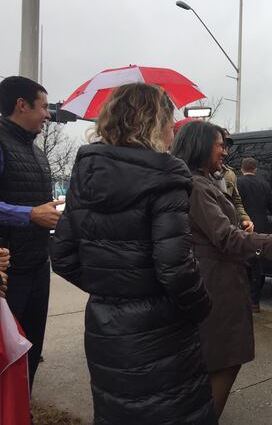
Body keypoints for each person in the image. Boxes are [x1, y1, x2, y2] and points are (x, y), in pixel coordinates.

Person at [50, 84, 216, 424]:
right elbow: (175, 267)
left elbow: (63, 256)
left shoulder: (86, 172)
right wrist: (201, 307)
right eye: (169, 120)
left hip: (105, 325)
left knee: (118, 411)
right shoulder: (166, 177)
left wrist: (113, 285)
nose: (173, 129)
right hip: (159, 328)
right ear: (154, 123)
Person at [171, 121, 272, 419]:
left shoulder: (205, 181)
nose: (224, 151)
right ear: (199, 146)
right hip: (216, 286)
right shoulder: (196, 185)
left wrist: (240, 223)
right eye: (219, 144)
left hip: (221, 281)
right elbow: (223, 237)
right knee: (222, 362)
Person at [0, 75, 64, 391]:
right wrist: (29, 214)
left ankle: (20, 411)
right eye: (43, 106)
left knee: (30, 349)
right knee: (5, 355)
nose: (48, 115)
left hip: (38, 266)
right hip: (8, 273)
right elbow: (26, 210)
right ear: (21, 105)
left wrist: (50, 210)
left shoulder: (37, 153)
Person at [237, 157, 272, 312]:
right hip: (261, 229)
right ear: (255, 169)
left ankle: (242, 299)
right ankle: (254, 301)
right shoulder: (264, 185)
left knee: (241, 265)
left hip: (242, 228)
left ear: (242, 169)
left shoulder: (237, 183)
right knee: (257, 267)